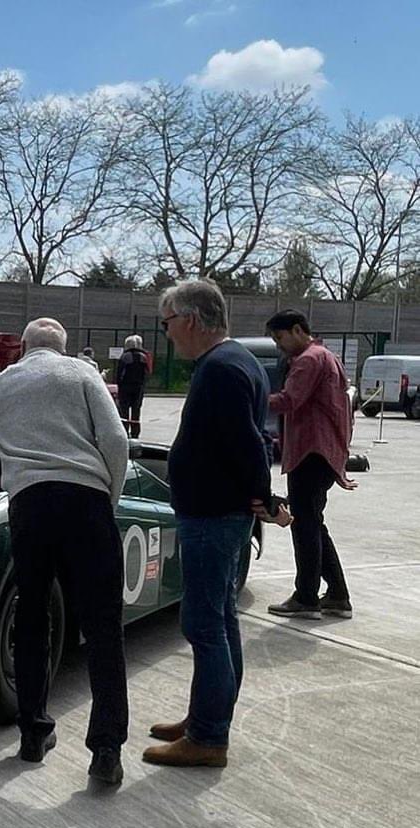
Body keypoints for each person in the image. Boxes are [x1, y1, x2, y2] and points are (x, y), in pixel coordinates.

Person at [0, 317, 130, 786]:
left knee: (33, 618)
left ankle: (33, 734)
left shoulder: (5, 381)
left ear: (22, 349)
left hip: (30, 506)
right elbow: (115, 440)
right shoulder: (83, 374)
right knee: (103, 628)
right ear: (64, 348)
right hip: (87, 503)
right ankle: (106, 750)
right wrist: (106, 500)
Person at [143, 280, 288, 770]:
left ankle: (208, 736)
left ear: (191, 319)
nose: (166, 335)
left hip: (212, 515)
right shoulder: (236, 361)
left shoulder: (222, 369)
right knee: (220, 620)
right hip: (220, 511)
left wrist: (265, 498)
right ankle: (208, 715)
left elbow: (249, 444)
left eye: (167, 323)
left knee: (203, 623)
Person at [259, 309, 355, 619]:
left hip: (311, 452)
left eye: (280, 337)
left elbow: (288, 400)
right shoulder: (325, 356)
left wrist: (249, 395)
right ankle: (337, 595)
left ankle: (307, 595)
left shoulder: (309, 359)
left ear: (298, 330)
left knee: (305, 525)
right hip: (322, 452)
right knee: (312, 522)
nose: (279, 345)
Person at [116, 334, 150, 438]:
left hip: (125, 387)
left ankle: (125, 431)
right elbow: (146, 373)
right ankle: (135, 432)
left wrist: (119, 385)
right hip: (138, 387)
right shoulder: (143, 357)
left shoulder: (125, 357)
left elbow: (119, 374)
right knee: (136, 410)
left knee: (124, 410)